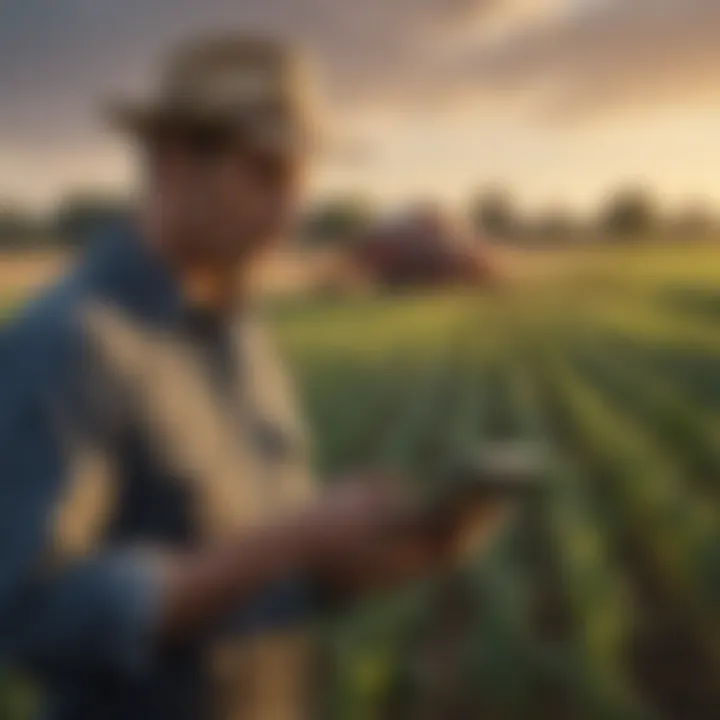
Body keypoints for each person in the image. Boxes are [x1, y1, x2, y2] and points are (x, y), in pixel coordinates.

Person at [0, 36, 510, 720]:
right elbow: (30, 614)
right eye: (266, 175)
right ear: (176, 162)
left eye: (299, 179)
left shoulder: (241, 336)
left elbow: (252, 584)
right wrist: (292, 539)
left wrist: (352, 563)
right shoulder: (70, 340)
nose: (289, 212)